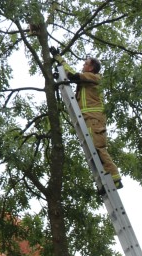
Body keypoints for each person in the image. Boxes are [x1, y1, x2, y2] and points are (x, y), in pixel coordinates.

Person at [53, 50, 122, 189]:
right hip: (89, 119)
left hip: (94, 119)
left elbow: (72, 75)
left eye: (85, 64)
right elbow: (72, 77)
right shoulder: (87, 80)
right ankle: (104, 182)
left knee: (99, 148)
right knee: (93, 151)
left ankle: (115, 179)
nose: (83, 66)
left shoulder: (94, 77)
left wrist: (59, 59)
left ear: (91, 68)